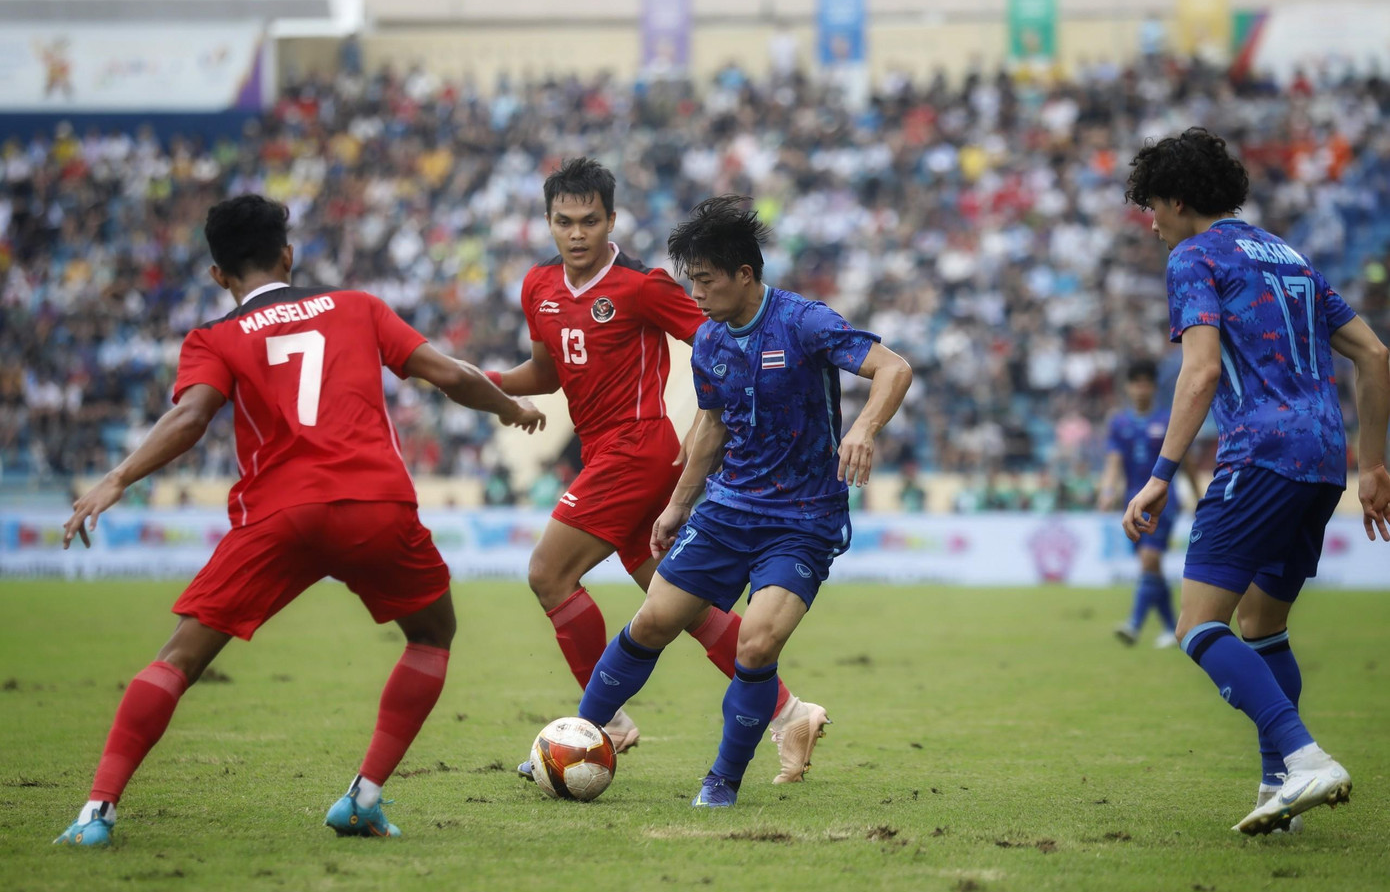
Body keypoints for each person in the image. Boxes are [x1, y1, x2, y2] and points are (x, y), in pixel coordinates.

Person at [54, 195, 546, 847]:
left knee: (178, 658)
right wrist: (507, 407)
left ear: (217, 274)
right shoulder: (357, 306)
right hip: (374, 504)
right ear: (289, 255)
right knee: (432, 633)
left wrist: (116, 477)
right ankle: (364, 796)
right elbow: (447, 374)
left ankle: (97, 812)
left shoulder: (214, 337)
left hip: (279, 515)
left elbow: (192, 416)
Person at [487, 159, 829, 783]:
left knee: (548, 573)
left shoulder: (639, 286)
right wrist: (489, 385)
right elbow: (546, 371)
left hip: (639, 449)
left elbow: (717, 332)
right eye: (565, 222)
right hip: (605, 455)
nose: (578, 233)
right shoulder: (538, 287)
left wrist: (740, 409)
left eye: (591, 220)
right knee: (679, 605)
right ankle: (791, 713)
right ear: (548, 224)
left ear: (611, 220)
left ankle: (603, 724)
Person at [572, 197, 912, 807]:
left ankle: (722, 781)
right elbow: (710, 425)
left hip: (803, 519)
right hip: (727, 510)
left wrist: (862, 429)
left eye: (705, 281)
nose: (695, 295)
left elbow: (893, 369)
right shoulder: (708, 342)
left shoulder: (804, 322)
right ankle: (576, 739)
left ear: (744, 276)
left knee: (755, 643)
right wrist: (677, 505)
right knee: (652, 621)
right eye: (691, 281)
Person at [1121, 128, 1390, 835]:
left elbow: (1202, 371)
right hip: (1323, 459)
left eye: (1152, 205)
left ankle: (1304, 757)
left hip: (1260, 452)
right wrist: (1374, 463)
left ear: (1179, 200)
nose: (1150, 222)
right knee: (1263, 625)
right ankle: (1282, 787)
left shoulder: (1194, 256)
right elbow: (1374, 353)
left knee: (1198, 625)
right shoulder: (1291, 257)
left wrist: (1158, 475)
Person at [1097, 359, 1200, 648]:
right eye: (1136, 382)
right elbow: (1113, 462)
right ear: (1128, 387)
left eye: (1146, 382)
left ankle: (1134, 624)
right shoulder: (1119, 423)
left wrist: (1198, 495)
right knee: (1150, 568)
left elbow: (1188, 462)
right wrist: (1107, 490)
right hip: (1132, 503)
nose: (1141, 389)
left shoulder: (1168, 420)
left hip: (1164, 503)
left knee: (1149, 560)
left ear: (1154, 387)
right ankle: (1171, 627)